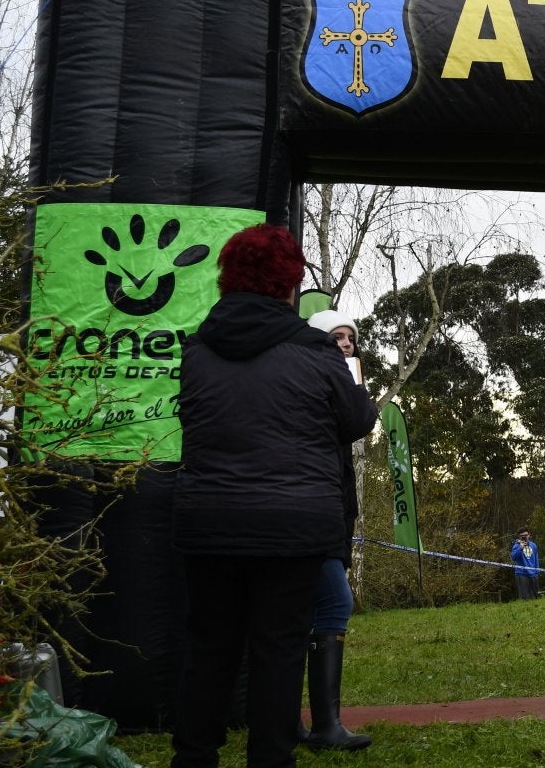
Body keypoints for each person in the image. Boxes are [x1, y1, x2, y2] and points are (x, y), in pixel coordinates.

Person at [171, 224, 378, 767]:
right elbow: (358, 420)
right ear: (289, 285)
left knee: (209, 648)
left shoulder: (197, 350)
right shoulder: (317, 352)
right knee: (279, 649)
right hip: (293, 525)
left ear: (227, 280)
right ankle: (270, 759)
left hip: (210, 521)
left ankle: (192, 758)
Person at [295, 309, 371, 751]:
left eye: (350, 338)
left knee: (301, 613)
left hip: (330, 512)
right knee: (335, 602)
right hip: (311, 511)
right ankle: (325, 724)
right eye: (336, 337)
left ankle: (294, 720)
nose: (345, 343)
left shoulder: (337, 383)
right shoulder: (311, 383)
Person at [512, 528, 540, 600]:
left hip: (533, 574)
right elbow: (513, 557)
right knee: (524, 598)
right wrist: (520, 548)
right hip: (521, 574)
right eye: (522, 536)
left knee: (535, 597)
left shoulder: (533, 545)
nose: (524, 537)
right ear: (519, 537)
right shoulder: (516, 546)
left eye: (526, 535)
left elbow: (536, 559)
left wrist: (537, 572)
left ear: (529, 535)